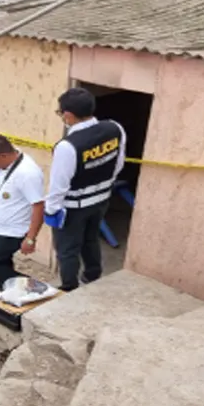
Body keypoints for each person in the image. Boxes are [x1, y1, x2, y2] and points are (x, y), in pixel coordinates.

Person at [44, 87, 127, 291]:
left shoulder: (67, 146)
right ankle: (92, 275)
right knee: (91, 239)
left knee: (67, 249)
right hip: (101, 200)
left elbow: (59, 185)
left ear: (68, 115)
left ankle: (69, 287)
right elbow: (118, 163)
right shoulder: (114, 128)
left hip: (73, 207)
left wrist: (51, 210)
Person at [0, 134, 46, 289]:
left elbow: (39, 206)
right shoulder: (4, 160)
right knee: (1, 263)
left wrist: (31, 238)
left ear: (3, 155)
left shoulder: (27, 173)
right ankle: (11, 294)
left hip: (14, 230)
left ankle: (31, 286)